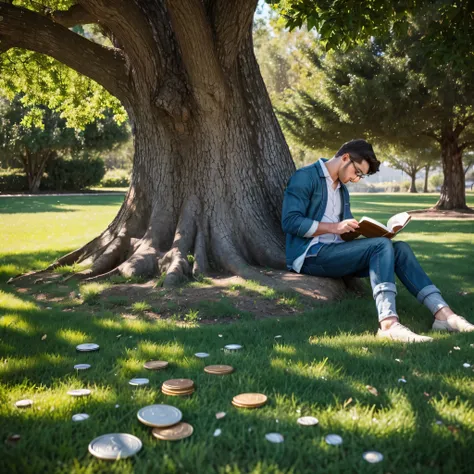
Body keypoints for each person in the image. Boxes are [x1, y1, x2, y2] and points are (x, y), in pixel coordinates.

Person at [281, 139, 474, 342]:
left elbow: (341, 230)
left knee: (400, 249)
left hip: (337, 251)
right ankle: (388, 324)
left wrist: (359, 230)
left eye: (360, 176)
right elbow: (291, 222)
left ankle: (444, 314)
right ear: (345, 158)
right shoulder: (305, 177)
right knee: (381, 246)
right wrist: (334, 227)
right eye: (357, 172)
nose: (356, 179)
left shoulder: (341, 189)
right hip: (310, 254)